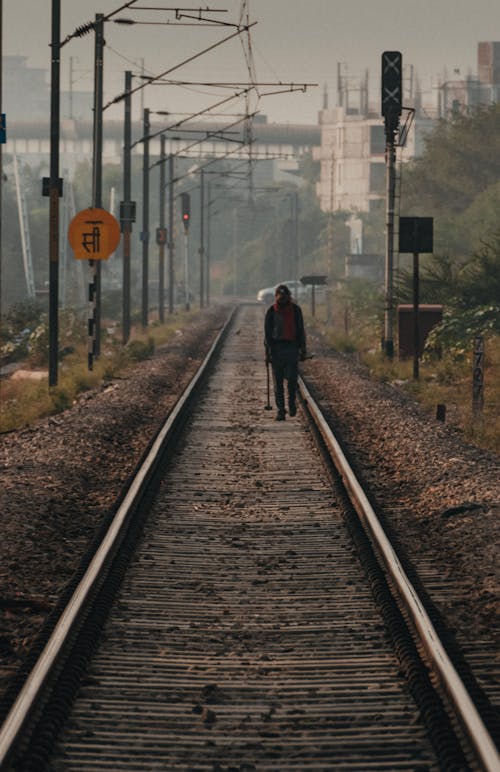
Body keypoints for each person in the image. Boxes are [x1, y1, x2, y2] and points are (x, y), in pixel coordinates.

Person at [264, 283, 307, 421]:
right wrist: (268, 353)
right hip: (277, 350)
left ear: (288, 296)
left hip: (291, 348)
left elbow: (300, 331)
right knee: (278, 383)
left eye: (284, 296)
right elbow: (267, 334)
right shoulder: (271, 312)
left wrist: (303, 349)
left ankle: (291, 403)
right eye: (280, 296)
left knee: (292, 380)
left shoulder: (296, 310)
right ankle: (281, 410)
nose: (282, 299)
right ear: (276, 297)